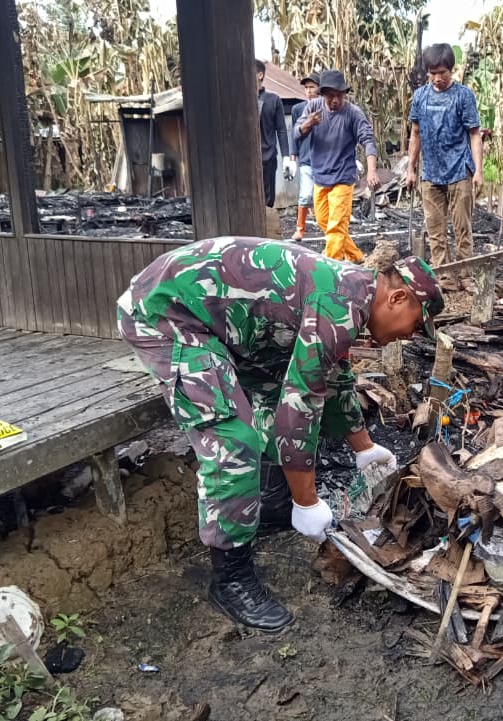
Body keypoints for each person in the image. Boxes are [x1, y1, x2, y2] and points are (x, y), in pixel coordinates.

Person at [117, 238, 444, 632]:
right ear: (398, 297)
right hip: (167, 313)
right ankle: (231, 577)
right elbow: (300, 405)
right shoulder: (338, 303)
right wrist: (307, 502)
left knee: (273, 391)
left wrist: (364, 448)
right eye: (415, 323)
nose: (409, 336)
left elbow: (333, 376)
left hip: (226, 322)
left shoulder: (353, 294)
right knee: (233, 440)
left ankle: (270, 502)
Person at [404, 43, 483, 286]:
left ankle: (466, 274)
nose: (438, 78)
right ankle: (445, 276)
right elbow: (415, 133)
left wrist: (478, 170)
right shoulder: (420, 97)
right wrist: (410, 168)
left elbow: (474, 133)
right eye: (433, 73)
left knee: (462, 227)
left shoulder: (463, 95)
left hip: (460, 170)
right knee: (435, 230)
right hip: (430, 173)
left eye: (443, 73)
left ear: (451, 70)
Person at [294, 69, 381, 262]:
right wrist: (309, 123)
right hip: (320, 176)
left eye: (339, 95)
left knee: (335, 226)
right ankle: (357, 258)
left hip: (343, 177)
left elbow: (367, 140)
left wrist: (372, 171)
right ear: (323, 94)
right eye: (331, 96)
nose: (335, 100)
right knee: (325, 221)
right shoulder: (313, 108)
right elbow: (296, 133)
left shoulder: (353, 113)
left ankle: (331, 267)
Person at [256, 59, 292, 213]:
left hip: (267, 156)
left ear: (260, 75)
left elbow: (281, 130)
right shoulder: (239, 100)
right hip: (244, 159)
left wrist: (286, 157)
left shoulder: (273, 100)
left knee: (266, 200)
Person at [289, 72, 321, 241]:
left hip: (324, 159)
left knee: (324, 195)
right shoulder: (297, 109)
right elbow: (294, 133)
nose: (308, 91)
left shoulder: (326, 107)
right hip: (306, 157)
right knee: (305, 194)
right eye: (306, 88)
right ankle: (300, 229)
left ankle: (327, 226)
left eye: (312, 87)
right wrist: (293, 155)